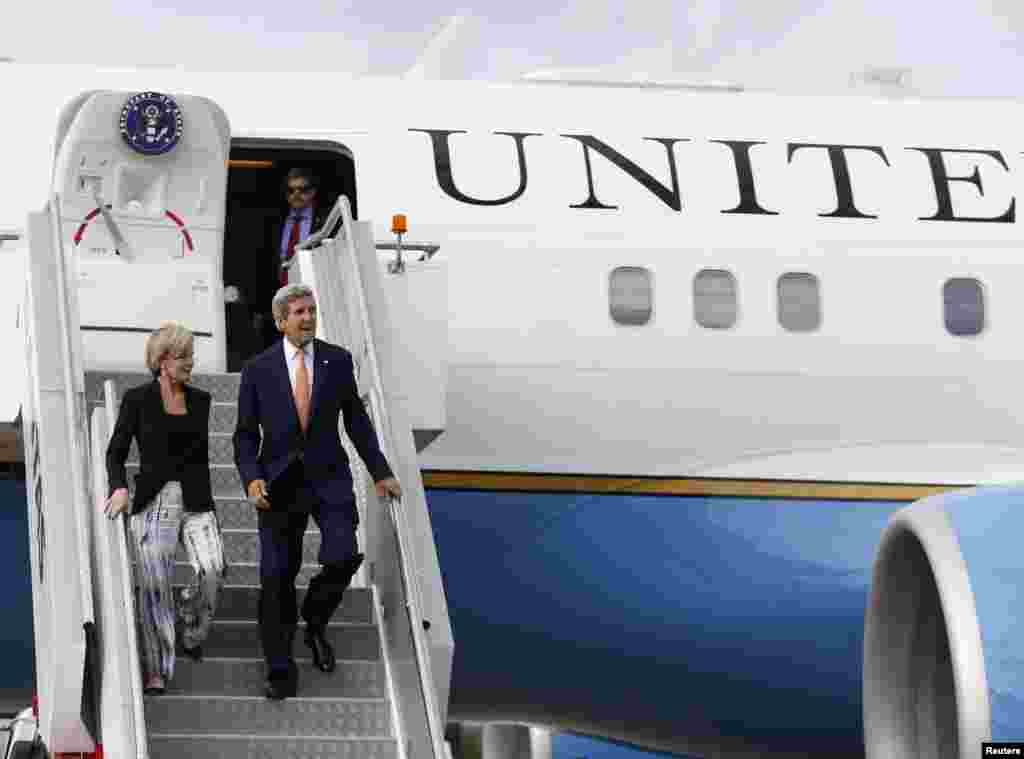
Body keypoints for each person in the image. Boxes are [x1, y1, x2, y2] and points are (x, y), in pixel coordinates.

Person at [232, 283, 402, 700]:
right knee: (277, 577)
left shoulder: (338, 361)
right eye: (298, 312)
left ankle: (315, 618)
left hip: (329, 478)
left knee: (343, 556)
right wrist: (251, 477)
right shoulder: (258, 369)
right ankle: (279, 671)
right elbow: (243, 435)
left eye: (311, 310)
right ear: (279, 321)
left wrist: (380, 471)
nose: (308, 317)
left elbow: (357, 422)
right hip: (279, 484)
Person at [104, 322, 226, 695]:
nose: (191, 362)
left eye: (191, 355)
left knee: (214, 568)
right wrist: (119, 487)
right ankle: (156, 669)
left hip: (195, 501)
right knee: (155, 584)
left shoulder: (202, 401)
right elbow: (116, 452)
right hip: (155, 502)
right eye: (183, 356)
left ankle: (191, 623)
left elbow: (198, 459)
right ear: (162, 360)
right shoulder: (137, 400)